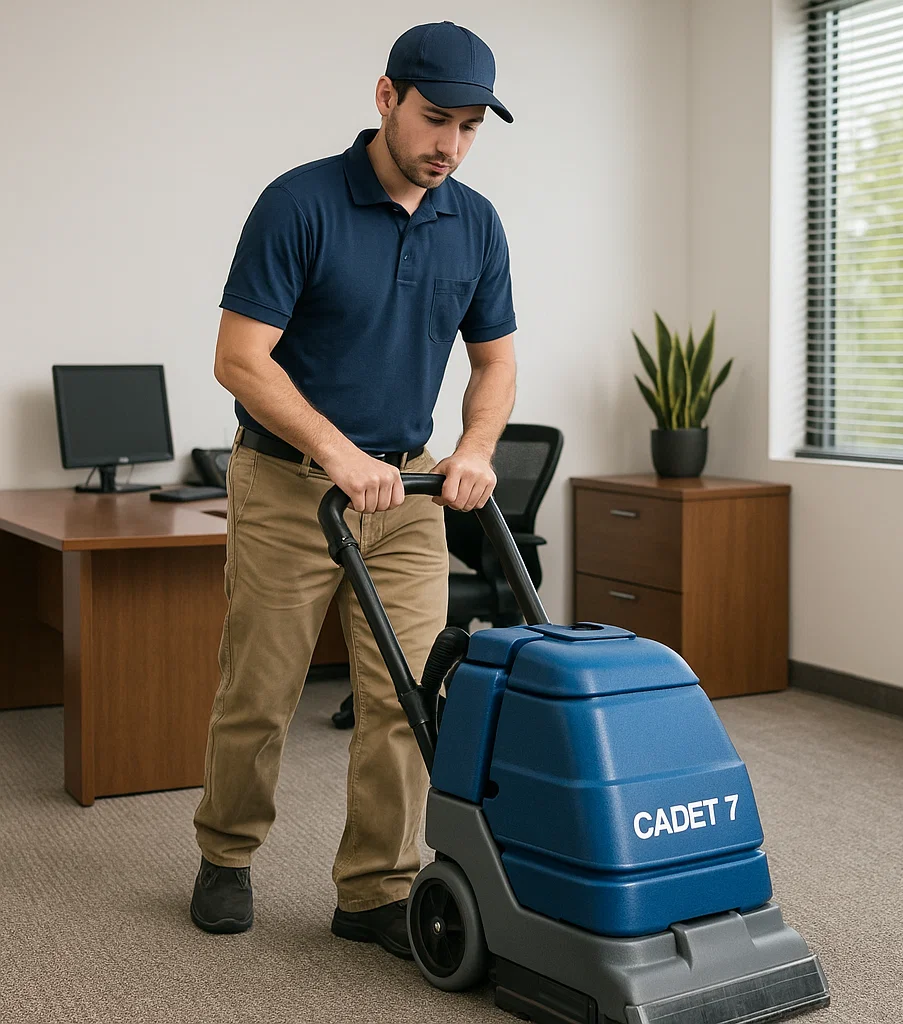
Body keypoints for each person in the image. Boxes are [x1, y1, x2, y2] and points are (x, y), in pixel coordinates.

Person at [189, 21, 517, 960]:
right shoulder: (299, 204)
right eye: (434, 118)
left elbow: (495, 365)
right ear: (386, 99)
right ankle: (226, 853)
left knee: (411, 697)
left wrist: (475, 448)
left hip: (407, 494)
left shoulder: (477, 222)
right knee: (261, 688)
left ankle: (374, 886)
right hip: (293, 486)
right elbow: (238, 360)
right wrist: (336, 452)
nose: (448, 144)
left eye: (468, 127)